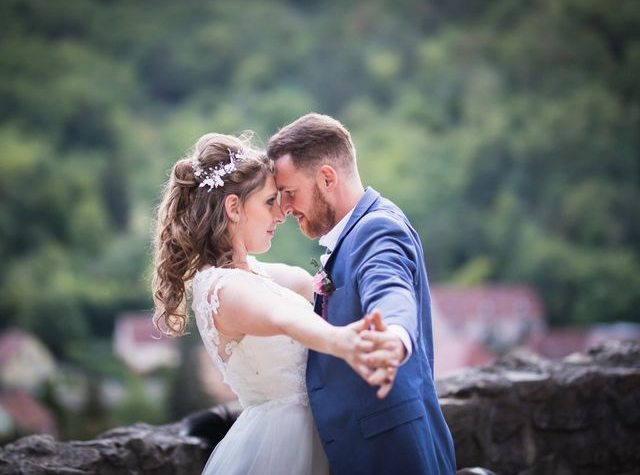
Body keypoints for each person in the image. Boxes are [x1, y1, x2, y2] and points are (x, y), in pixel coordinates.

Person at [151, 132, 384, 475]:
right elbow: (283, 316)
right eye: (270, 202)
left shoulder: (256, 274)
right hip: (281, 450)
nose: (282, 214)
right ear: (233, 207)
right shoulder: (222, 288)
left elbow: (316, 284)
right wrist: (342, 341)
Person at [267, 113, 457, 474]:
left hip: (395, 458)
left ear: (326, 178)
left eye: (290, 193)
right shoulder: (352, 233)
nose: (286, 208)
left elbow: (390, 291)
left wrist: (394, 337)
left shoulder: (376, 230)